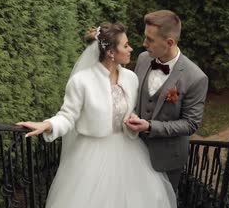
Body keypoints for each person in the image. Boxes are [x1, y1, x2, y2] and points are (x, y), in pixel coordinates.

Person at [16, 22, 176, 208]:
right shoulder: (81, 81)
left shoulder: (131, 79)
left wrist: (131, 118)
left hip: (128, 152)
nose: (131, 49)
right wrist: (47, 125)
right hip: (91, 156)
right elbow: (68, 115)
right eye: (125, 45)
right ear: (110, 52)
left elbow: (122, 109)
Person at [124, 10, 209, 198]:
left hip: (167, 159)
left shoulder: (196, 78)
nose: (144, 43)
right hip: (134, 151)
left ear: (169, 42)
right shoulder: (144, 59)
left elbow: (190, 124)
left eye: (150, 39)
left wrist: (150, 126)